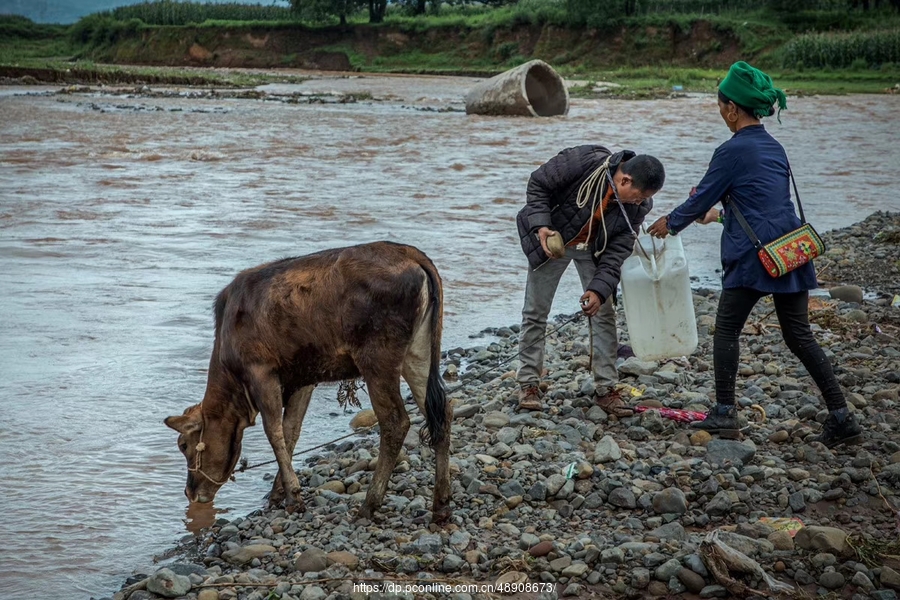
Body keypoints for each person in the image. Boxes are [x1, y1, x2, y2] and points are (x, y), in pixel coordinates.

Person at [647, 61, 861, 449]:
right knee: (799, 335)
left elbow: (701, 199)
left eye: (720, 105)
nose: (720, 112)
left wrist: (670, 223)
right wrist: (719, 215)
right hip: (789, 251)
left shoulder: (730, 151)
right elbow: (762, 203)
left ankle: (725, 412)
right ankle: (841, 416)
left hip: (752, 256)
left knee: (727, 329)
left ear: (732, 108)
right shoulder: (774, 147)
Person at [515, 146, 665, 415]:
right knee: (535, 312)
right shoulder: (584, 161)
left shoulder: (639, 205)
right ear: (624, 180)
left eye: (646, 198)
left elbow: (619, 249)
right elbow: (538, 183)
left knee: (604, 313)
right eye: (638, 195)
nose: (640, 202)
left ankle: (606, 388)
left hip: (595, 248)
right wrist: (541, 226)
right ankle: (528, 385)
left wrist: (598, 289)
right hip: (554, 238)